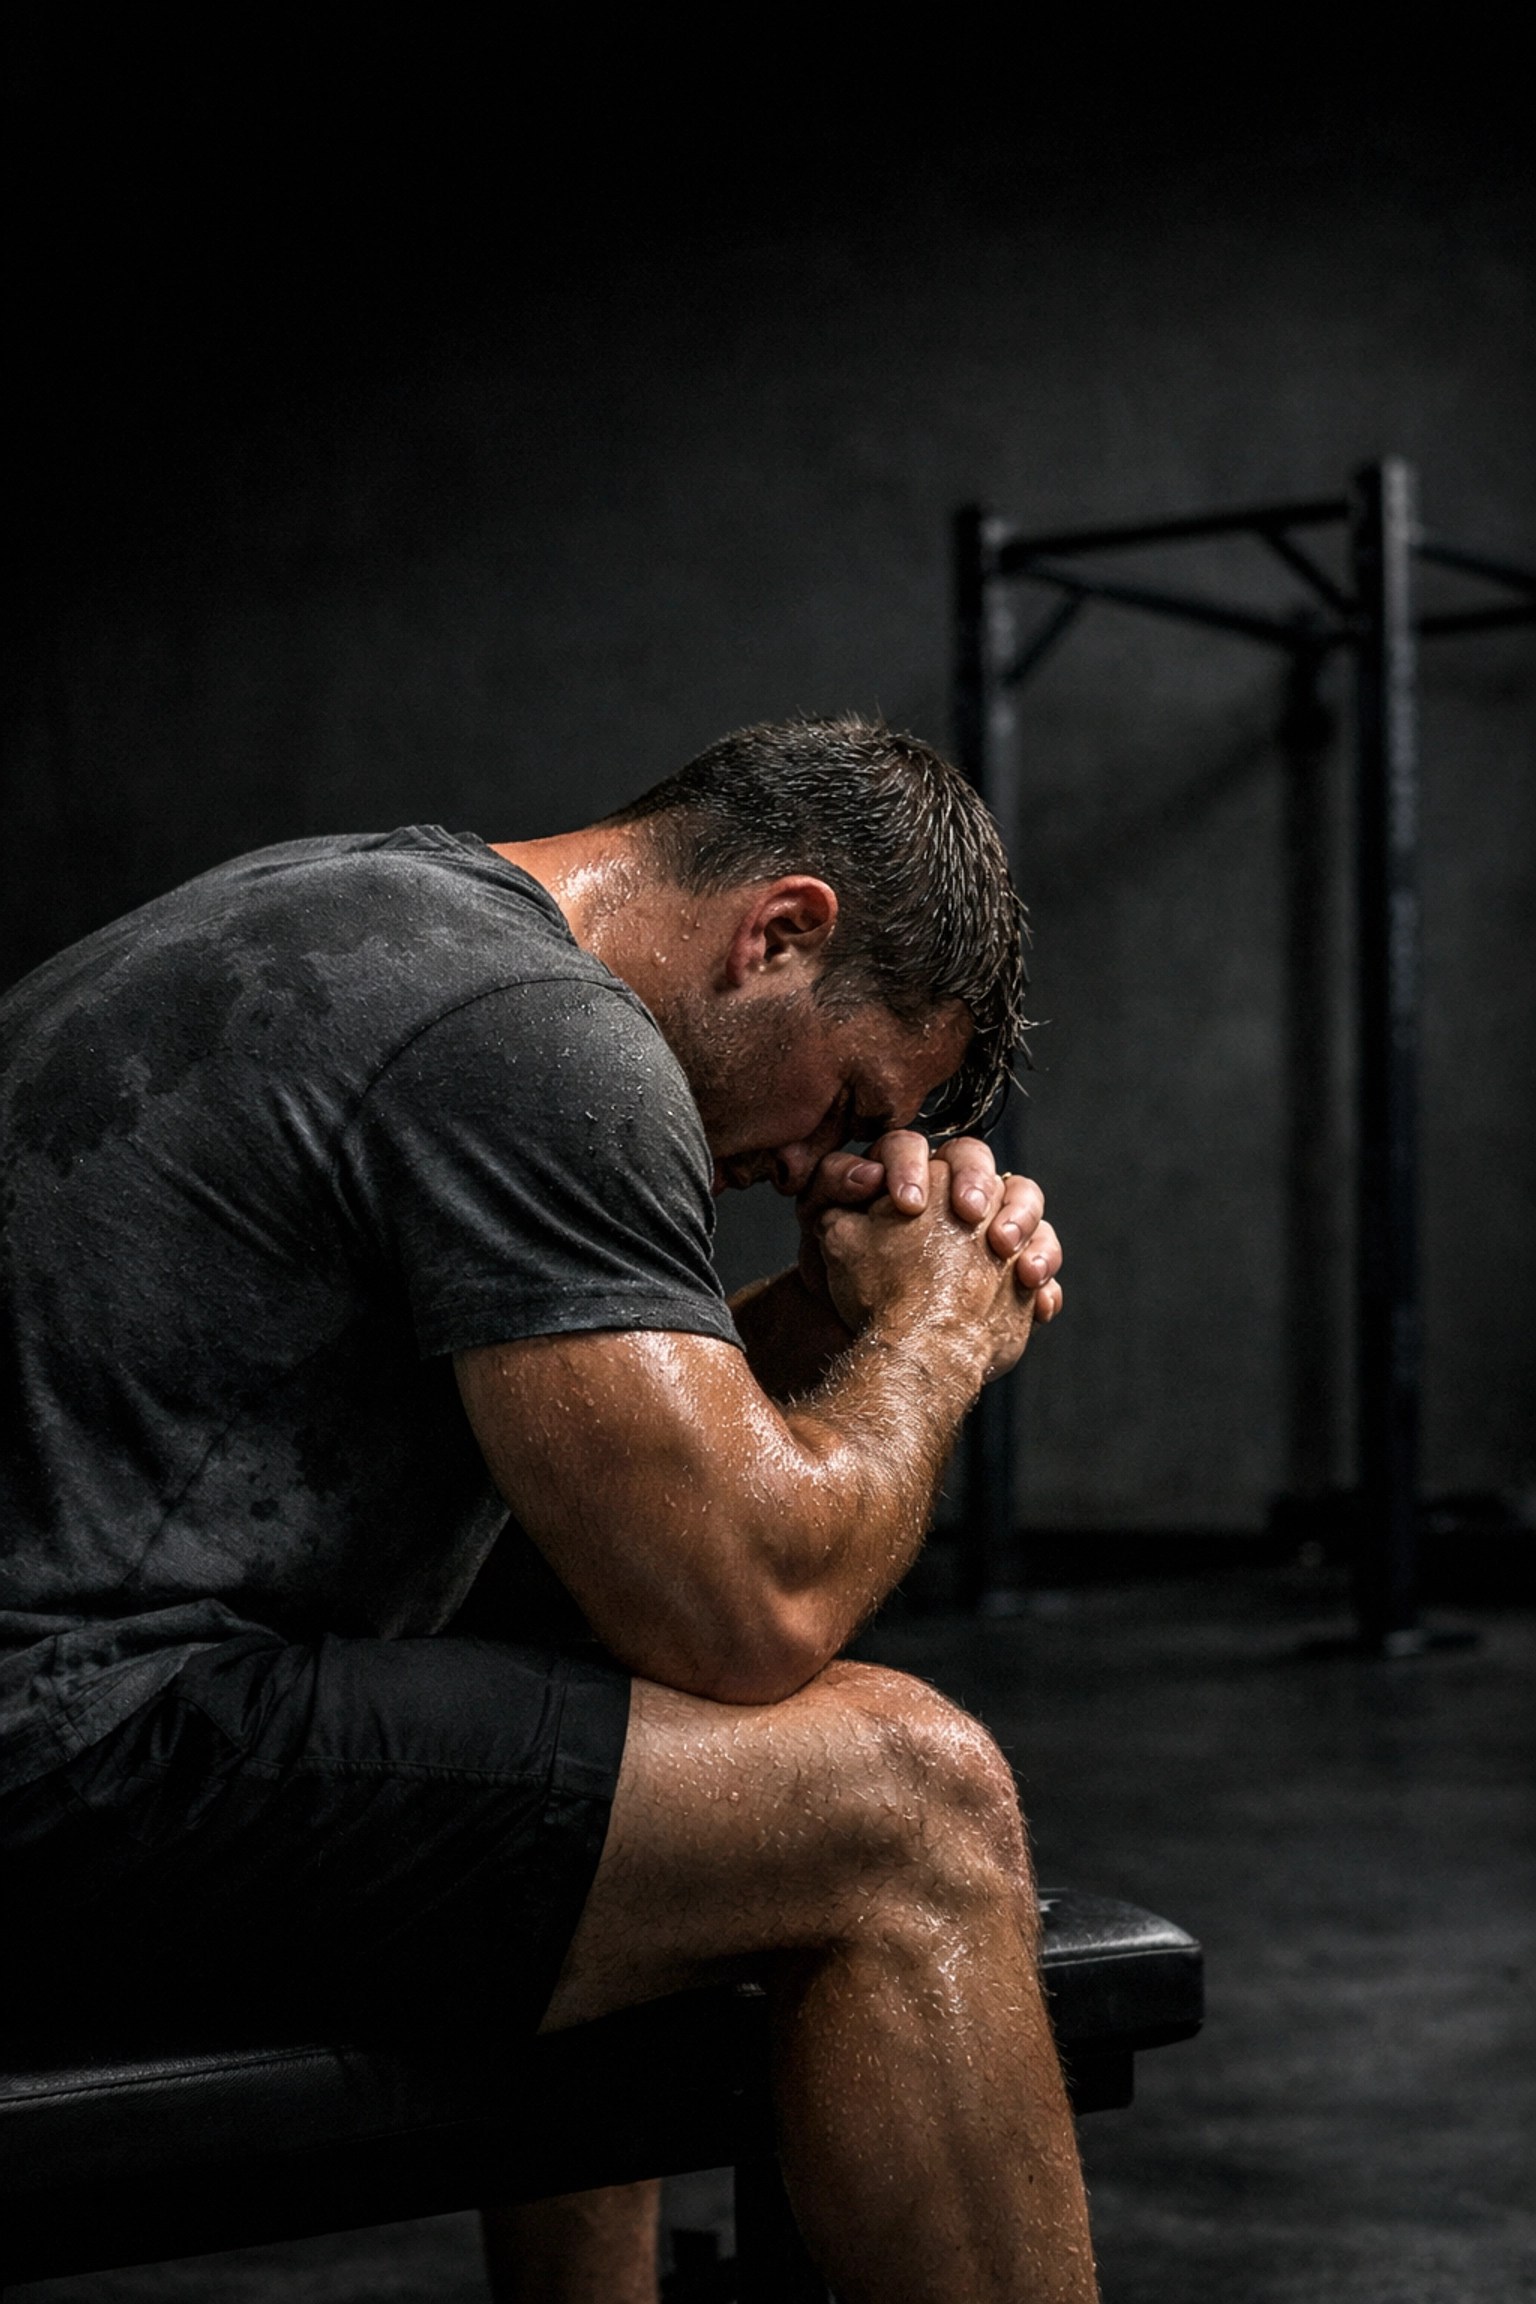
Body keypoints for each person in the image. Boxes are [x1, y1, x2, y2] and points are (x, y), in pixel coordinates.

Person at [0, 715, 1093, 2304]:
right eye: (852, 1103)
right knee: (903, 1804)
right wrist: (935, 1342)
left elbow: (592, 1492)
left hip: (83, 1706)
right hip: (60, 1750)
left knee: (644, 1730)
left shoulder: (372, 905)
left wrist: (815, 1328)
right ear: (781, 932)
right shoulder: (544, 1035)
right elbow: (742, 1609)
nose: (819, 1167)